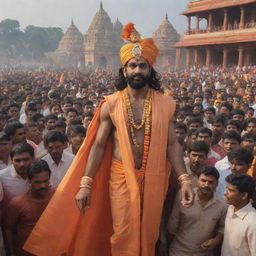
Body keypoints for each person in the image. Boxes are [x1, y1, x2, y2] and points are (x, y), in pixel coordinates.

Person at [24, 23, 193, 256]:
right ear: (124, 70)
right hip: (120, 176)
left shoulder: (165, 105)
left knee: (149, 232)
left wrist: (184, 180)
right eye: (132, 65)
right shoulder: (111, 104)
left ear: (150, 70)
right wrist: (86, 183)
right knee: (122, 231)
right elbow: (99, 145)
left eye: (142, 65)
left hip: (154, 177)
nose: (137, 70)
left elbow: (173, 143)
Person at [168, 166, 227, 256]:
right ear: (197, 180)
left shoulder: (222, 204)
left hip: (204, 253)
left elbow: (223, 227)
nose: (206, 185)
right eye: (203, 180)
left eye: (211, 182)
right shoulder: (183, 195)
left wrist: (216, 241)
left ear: (217, 184)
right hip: (179, 251)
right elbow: (172, 224)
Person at [3, 159, 55, 256]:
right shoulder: (17, 203)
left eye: (45, 181)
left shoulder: (58, 197)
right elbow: (8, 230)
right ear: (29, 180)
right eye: (37, 182)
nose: (43, 185)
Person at [221, 173, 256, 256]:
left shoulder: (253, 223)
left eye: (230, 190)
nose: (225, 193)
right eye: (226, 188)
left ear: (244, 195)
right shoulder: (230, 209)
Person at [0, 142, 34, 208]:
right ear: (12, 160)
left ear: (33, 158)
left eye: (26, 159)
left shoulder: (38, 173)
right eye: (17, 161)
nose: (22, 164)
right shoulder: (1, 176)